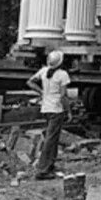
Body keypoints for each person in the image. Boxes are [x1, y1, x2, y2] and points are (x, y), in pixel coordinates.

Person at [26, 50, 72, 180]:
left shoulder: (44, 71)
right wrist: (68, 111)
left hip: (46, 108)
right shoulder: (62, 74)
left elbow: (30, 82)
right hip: (56, 110)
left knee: (53, 138)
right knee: (50, 140)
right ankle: (43, 170)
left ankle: (50, 165)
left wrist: (41, 92)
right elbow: (63, 96)